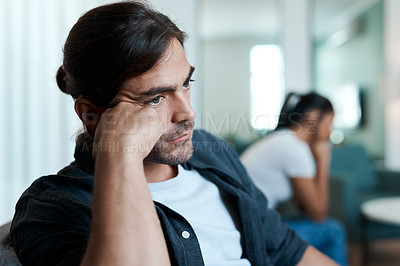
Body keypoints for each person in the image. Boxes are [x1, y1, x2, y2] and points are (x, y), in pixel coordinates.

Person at [10, 2, 338, 265]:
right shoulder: (53, 206)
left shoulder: (210, 150)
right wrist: (120, 153)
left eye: (186, 83)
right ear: (91, 114)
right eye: (155, 98)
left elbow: (284, 249)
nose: (188, 114)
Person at [241, 92, 347, 265]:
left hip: (251, 224)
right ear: (313, 117)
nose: (331, 131)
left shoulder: (283, 140)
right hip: (256, 232)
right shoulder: (294, 148)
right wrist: (323, 162)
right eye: (330, 122)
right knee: (333, 230)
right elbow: (318, 214)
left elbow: (303, 207)